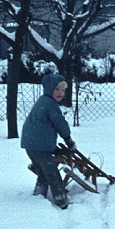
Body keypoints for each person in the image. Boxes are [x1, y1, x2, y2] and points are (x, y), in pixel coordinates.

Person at [20, 72, 78, 209]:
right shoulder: (50, 104)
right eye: (57, 89)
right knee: (52, 173)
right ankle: (61, 201)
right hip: (40, 146)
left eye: (63, 90)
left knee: (43, 172)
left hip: (30, 144)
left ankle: (39, 194)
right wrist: (68, 140)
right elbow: (60, 124)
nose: (60, 93)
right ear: (49, 89)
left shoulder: (42, 101)